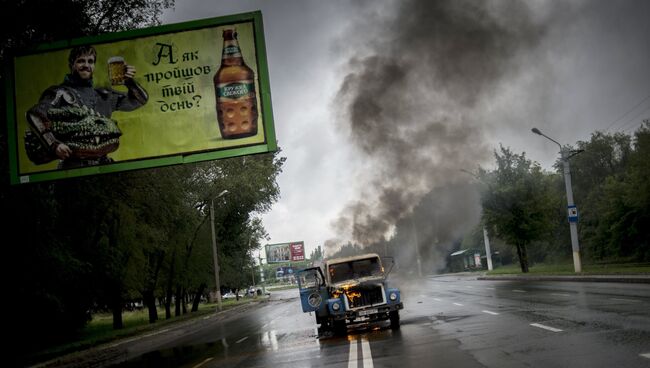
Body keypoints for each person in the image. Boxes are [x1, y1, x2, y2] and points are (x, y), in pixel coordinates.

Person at [25, 45, 148, 169]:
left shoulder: (102, 95)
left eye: (90, 61)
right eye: (81, 61)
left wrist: (129, 81)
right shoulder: (60, 93)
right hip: (73, 168)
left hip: (104, 165)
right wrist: (53, 144)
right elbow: (35, 114)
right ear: (72, 64)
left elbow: (140, 100)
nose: (86, 65)